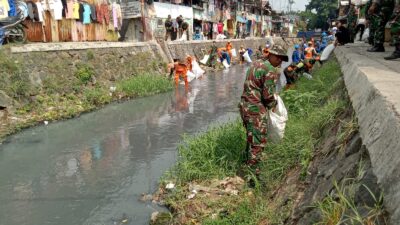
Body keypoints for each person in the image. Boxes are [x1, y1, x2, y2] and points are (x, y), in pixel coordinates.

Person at [239, 44, 289, 177]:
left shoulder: (256, 64)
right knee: (258, 141)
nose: (280, 61)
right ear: (270, 54)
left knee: (251, 137)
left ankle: (246, 163)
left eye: (282, 59)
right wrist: (274, 105)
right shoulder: (269, 70)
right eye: (278, 58)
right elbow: (268, 96)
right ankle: (252, 175)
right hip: (255, 108)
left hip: (245, 106)